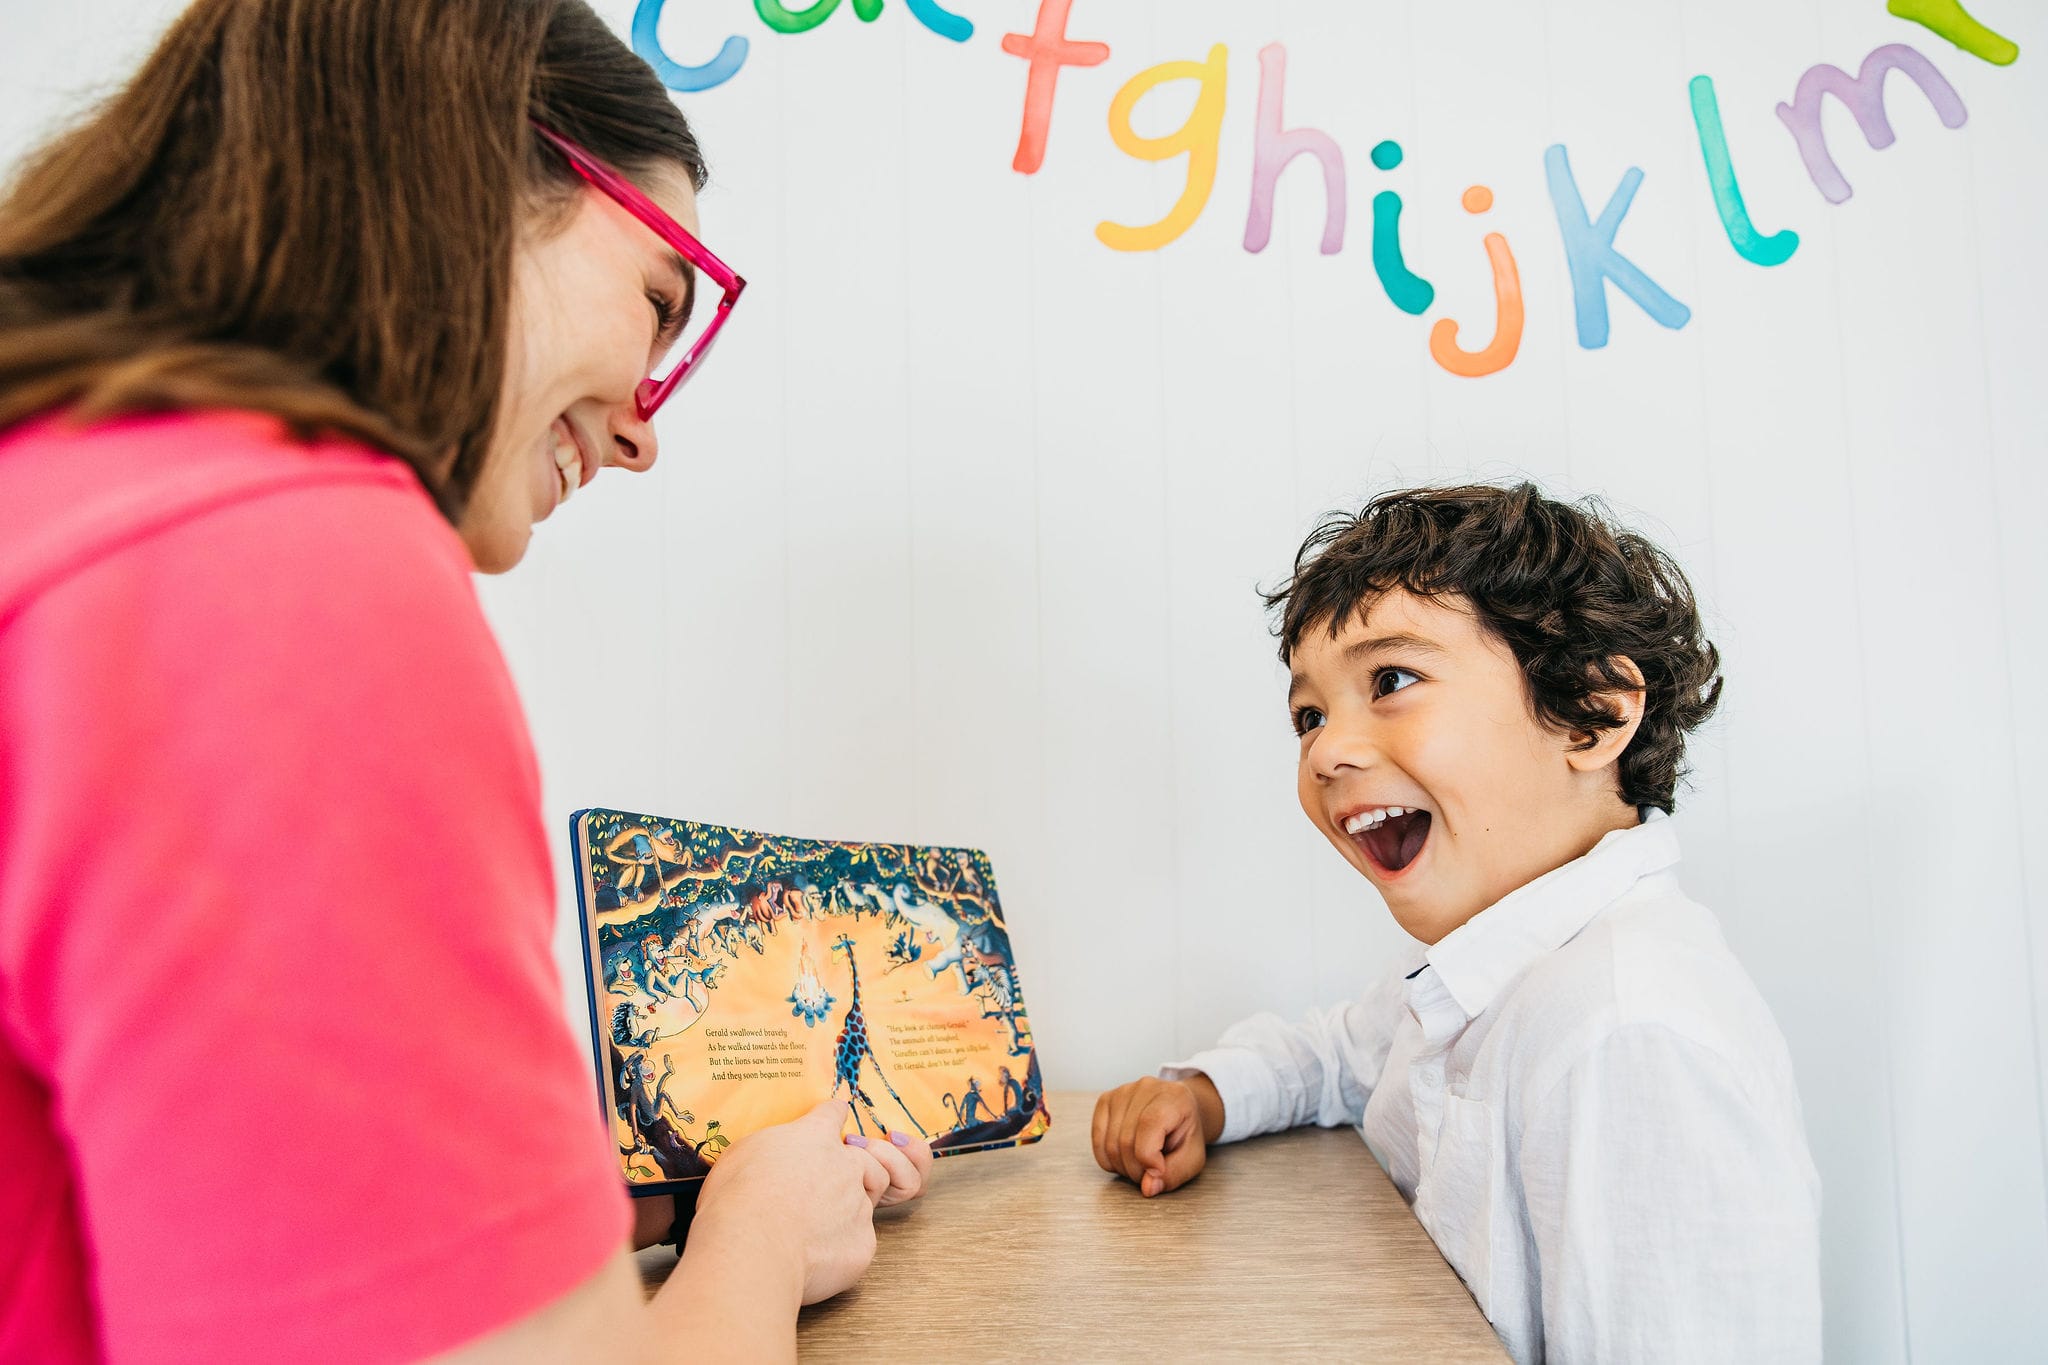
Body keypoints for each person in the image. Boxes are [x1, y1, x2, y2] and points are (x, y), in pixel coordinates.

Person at [0, 2, 930, 1362]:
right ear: (461, 162)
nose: (639, 433)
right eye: (661, 304)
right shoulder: (282, 577)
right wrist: (762, 1235)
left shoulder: (71, 506)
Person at [1091, 485, 1821, 1363]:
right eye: (1309, 716)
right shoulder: (1493, 965)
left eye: (1391, 681)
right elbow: (1335, 1056)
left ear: (1591, 711)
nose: (1324, 751)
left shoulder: (1628, 1033)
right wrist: (1205, 1095)